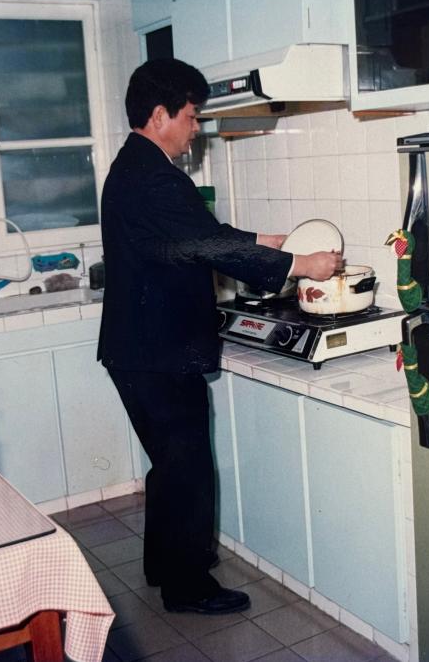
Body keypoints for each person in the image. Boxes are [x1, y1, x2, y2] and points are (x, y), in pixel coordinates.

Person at [97, 58, 341, 615]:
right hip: (158, 352)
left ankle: (165, 564)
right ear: (160, 115)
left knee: (171, 464)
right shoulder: (155, 177)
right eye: (191, 116)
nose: (196, 129)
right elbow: (204, 245)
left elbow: (193, 236)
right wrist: (301, 264)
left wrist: (263, 240)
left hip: (142, 350)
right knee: (185, 467)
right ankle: (188, 586)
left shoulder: (136, 167)